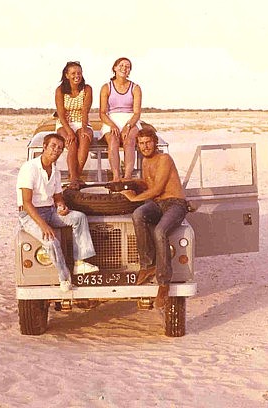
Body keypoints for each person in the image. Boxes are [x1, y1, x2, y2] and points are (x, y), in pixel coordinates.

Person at [17, 133, 99, 292]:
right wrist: (44, 226)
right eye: (53, 146)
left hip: (50, 210)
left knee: (79, 217)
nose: (56, 150)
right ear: (44, 147)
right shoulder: (29, 168)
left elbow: (57, 196)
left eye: (60, 148)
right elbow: (26, 203)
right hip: (29, 215)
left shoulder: (55, 171)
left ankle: (80, 262)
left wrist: (61, 206)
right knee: (51, 241)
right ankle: (64, 278)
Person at [120, 128, 188, 308]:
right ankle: (148, 265)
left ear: (155, 143)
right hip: (158, 204)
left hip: (175, 203)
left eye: (148, 142)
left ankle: (164, 283)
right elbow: (148, 184)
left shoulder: (164, 159)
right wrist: (129, 183)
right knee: (138, 214)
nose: (145, 147)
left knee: (160, 231)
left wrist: (134, 198)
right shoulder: (145, 161)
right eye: (141, 144)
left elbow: (157, 188)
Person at [99, 57, 142, 181]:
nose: (124, 68)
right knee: (113, 140)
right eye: (121, 65)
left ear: (130, 71)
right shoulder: (106, 87)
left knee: (129, 141)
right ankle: (116, 177)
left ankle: (127, 177)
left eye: (127, 66)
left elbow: (137, 113)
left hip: (130, 119)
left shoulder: (135, 88)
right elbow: (102, 113)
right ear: (115, 68)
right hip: (111, 119)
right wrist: (112, 125)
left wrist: (128, 126)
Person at [55, 61, 94, 186]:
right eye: (73, 73)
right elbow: (61, 114)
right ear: (67, 75)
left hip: (82, 121)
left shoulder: (87, 89)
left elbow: (85, 111)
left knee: (84, 139)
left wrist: (84, 128)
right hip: (64, 123)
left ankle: (75, 177)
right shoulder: (60, 90)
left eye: (79, 73)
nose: (77, 76)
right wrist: (70, 132)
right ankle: (74, 179)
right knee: (71, 143)